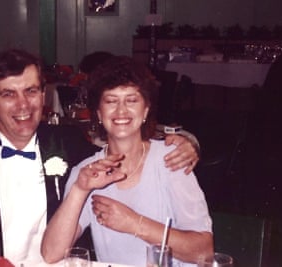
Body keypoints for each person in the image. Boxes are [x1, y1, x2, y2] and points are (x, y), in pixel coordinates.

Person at [0, 49, 200, 266]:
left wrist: (188, 143)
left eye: (31, 91)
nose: (23, 105)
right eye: (9, 94)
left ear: (44, 96)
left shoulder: (69, 144)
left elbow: (123, 142)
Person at [41, 56, 213, 266]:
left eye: (131, 100)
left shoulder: (171, 160)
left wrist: (134, 223)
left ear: (146, 110)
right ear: (99, 112)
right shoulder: (87, 173)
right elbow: (51, 254)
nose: (121, 111)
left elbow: (204, 252)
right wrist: (79, 189)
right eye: (111, 101)